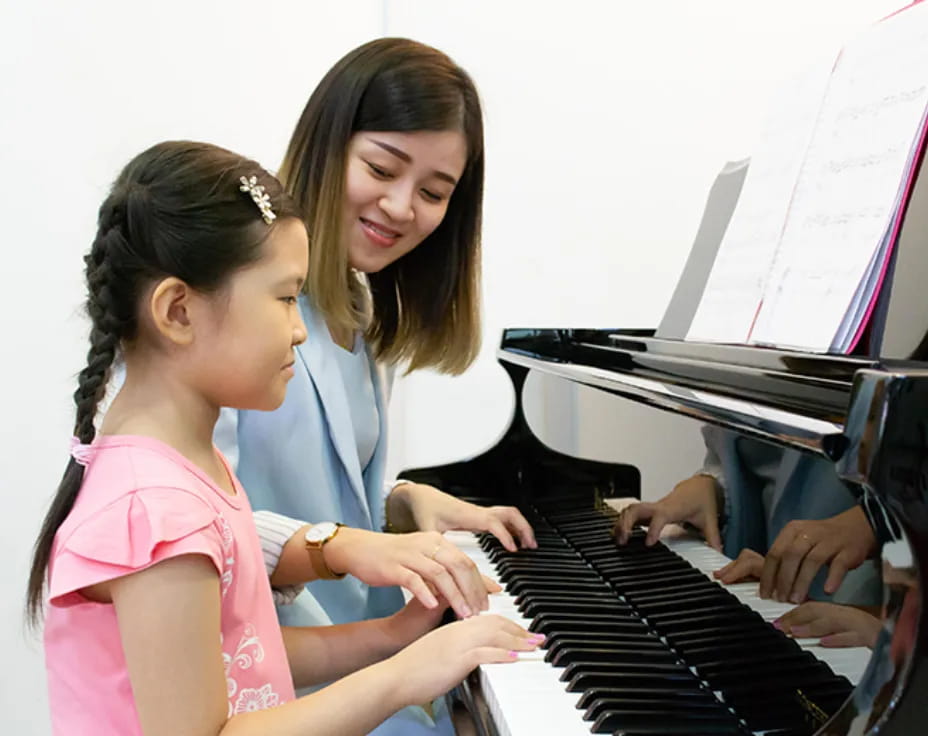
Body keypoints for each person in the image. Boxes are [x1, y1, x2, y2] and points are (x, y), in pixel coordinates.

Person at [27, 141, 541, 735]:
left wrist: (391, 638)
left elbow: (246, 657)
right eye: (285, 298)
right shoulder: (156, 512)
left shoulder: (188, 469)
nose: (300, 330)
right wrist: (403, 676)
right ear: (177, 311)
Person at [221, 37, 535, 658]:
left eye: (434, 192)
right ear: (327, 145)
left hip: (357, 649)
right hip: (272, 665)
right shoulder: (233, 296)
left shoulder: (359, 308)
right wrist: (356, 548)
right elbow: (192, 527)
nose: (400, 207)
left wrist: (403, 502)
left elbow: (317, 489)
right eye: (382, 169)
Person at [615, 424, 881, 605]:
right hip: (776, 588)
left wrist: (880, 521)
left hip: (865, 609)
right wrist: (712, 488)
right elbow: (756, 459)